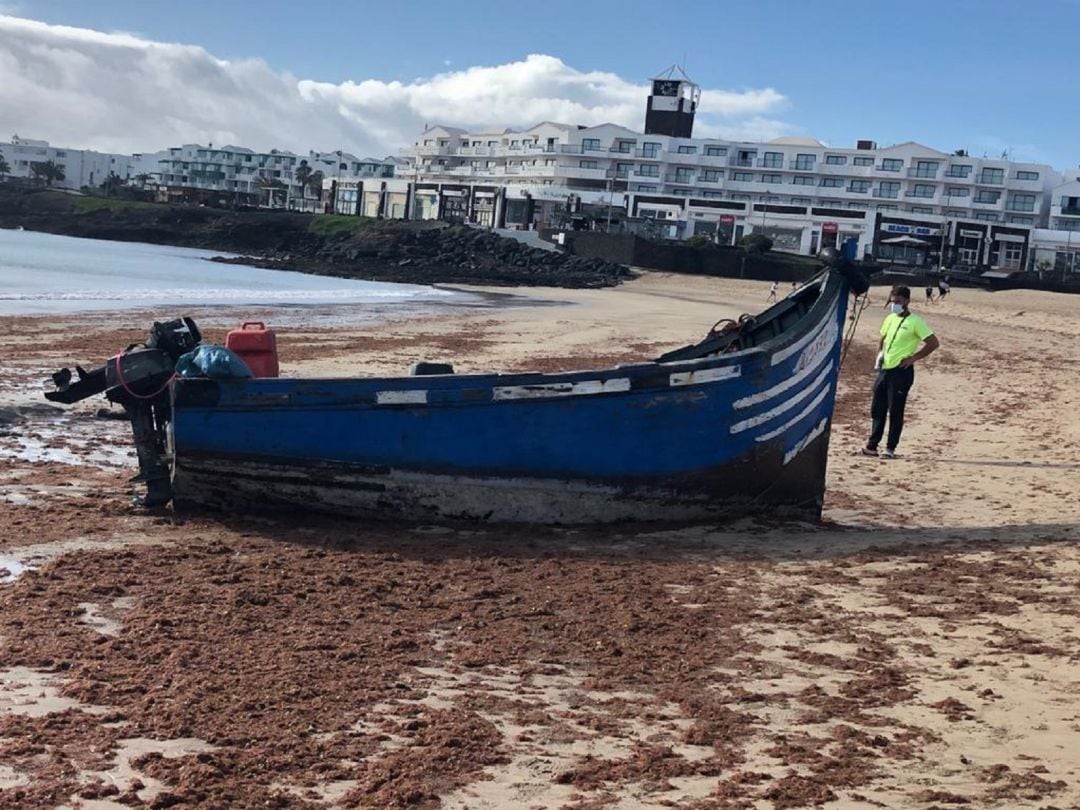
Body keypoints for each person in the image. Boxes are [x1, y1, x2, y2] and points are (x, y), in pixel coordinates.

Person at [861, 285, 940, 459]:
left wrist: (914, 358)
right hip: (884, 369)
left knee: (895, 410)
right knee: (877, 408)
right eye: (892, 301)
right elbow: (883, 337)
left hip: (901, 372)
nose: (894, 304)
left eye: (898, 301)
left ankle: (890, 448)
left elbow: (933, 343)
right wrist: (880, 354)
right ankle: (872, 446)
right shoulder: (890, 318)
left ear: (906, 301)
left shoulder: (915, 322)